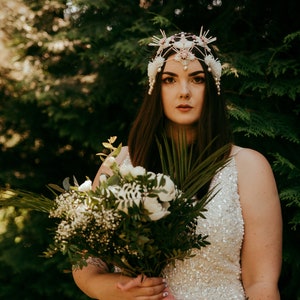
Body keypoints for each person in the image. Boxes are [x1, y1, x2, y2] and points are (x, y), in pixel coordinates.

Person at [72, 28, 282, 299]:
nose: (184, 92)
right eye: (170, 80)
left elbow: (261, 284)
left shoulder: (248, 167)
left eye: (197, 79)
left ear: (213, 86)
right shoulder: (120, 163)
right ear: (155, 87)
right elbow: (88, 266)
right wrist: (121, 290)